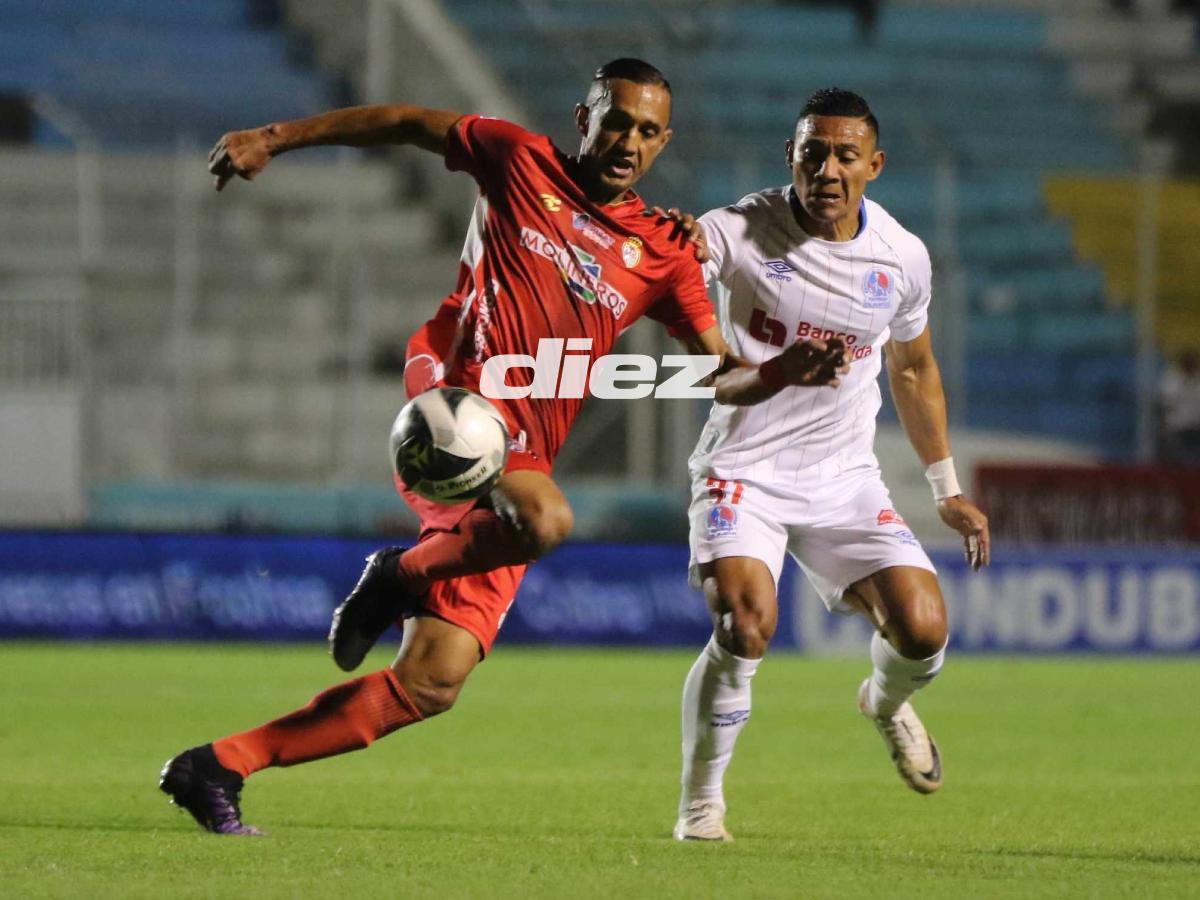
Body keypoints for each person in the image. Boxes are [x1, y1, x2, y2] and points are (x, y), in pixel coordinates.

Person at [158, 59, 847, 835]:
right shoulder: (519, 159)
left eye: (648, 131)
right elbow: (405, 122)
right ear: (583, 116)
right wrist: (274, 139)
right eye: (616, 119)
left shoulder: (662, 250)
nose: (629, 141)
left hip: (520, 465)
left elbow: (720, 374)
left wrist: (778, 371)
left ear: (664, 143)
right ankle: (398, 573)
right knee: (547, 521)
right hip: (453, 410)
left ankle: (217, 764)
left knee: (431, 682)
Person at [672, 88, 991, 842]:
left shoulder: (902, 256)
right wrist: (664, 240)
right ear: (791, 156)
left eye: (846, 155)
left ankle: (882, 703)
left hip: (843, 478)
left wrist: (945, 489)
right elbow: (682, 250)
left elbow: (912, 369)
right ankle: (700, 807)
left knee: (922, 630)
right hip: (743, 470)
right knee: (746, 623)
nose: (827, 168)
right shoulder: (742, 227)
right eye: (813, 151)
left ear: (873, 165)